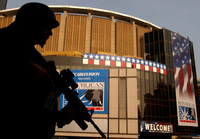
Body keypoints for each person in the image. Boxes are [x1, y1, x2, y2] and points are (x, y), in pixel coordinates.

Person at [0, 3, 75, 139]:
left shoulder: (35, 56)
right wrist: (23, 65)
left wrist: (56, 117)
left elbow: (29, 106)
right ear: (33, 23)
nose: (51, 32)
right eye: (48, 27)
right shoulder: (5, 39)